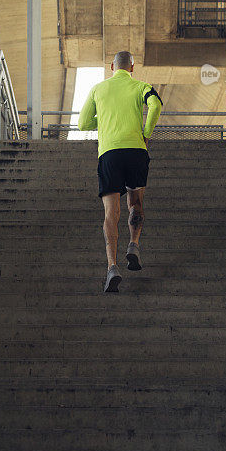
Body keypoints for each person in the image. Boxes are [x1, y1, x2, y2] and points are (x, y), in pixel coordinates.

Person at [78, 51, 163, 293]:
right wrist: (146, 133)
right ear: (132, 68)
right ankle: (134, 244)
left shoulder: (98, 89)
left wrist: (104, 120)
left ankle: (112, 266)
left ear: (112, 66)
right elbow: (156, 104)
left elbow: (83, 124)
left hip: (109, 154)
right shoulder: (141, 86)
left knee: (110, 212)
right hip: (136, 151)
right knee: (135, 202)